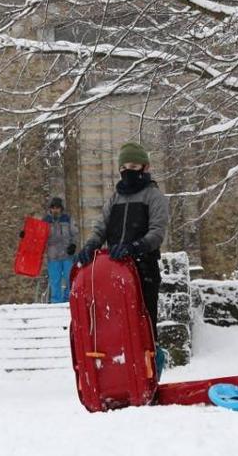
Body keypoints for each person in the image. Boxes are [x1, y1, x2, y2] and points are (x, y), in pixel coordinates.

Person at [75, 142, 169, 338]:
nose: (128, 172)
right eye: (124, 168)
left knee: (145, 329)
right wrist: (92, 245)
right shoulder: (114, 199)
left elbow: (157, 232)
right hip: (115, 270)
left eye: (133, 167)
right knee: (117, 330)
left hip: (144, 270)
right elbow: (101, 228)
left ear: (145, 167)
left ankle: (152, 364)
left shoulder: (154, 196)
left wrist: (135, 247)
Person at [43, 198, 77, 304]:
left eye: (57, 207)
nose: (55, 210)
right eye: (53, 207)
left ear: (61, 208)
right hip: (53, 256)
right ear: (50, 209)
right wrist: (25, 234)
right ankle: (56, 303)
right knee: (55, 281)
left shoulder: (68, 219)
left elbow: (75, 233)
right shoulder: (45, 221)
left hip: (67, 254)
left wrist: (73, 245)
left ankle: (68, 300)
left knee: (70, 278)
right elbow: (36, 235)